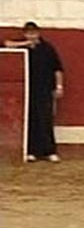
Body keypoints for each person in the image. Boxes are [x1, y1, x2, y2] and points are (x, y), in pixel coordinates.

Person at [4, 22, 65, 162]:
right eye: (28, 33)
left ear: (38, 33)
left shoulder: (48, 48)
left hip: (45, 89)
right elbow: (6, 44)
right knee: (30, 119)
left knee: (45, 119)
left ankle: (49, 151)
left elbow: (57, 68)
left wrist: (59, 86)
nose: (31, 35)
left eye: (33, 33)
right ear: (25, 34)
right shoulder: (21, 46)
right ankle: (32, 151)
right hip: (27, 89)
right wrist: (25, 44)